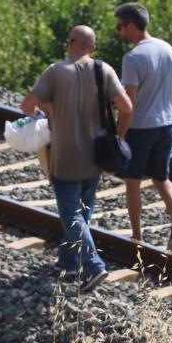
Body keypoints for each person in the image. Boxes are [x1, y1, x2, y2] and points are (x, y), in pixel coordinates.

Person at [20, 25, 132, 293]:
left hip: (65, 157)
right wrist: (119, 135)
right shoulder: (103, 70)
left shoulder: (55, 72)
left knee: (71, 213)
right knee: (82, 212)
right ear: (92, 48)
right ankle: (67, 262)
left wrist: (42, 116)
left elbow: (26, 105)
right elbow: (127, 108)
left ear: (70, 44)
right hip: (95, 157)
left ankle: (94, 266)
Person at [114, 3, 172, 252]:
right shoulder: (167, 48)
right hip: (167, 123)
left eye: (120, 27)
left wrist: (120, 135)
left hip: (141, 127)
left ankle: (137, 237)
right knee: (161, 177)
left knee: (133, 181)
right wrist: (159, 99)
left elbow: (128, 105)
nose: (118, 32)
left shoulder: (132, 58)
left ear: (131, 26)